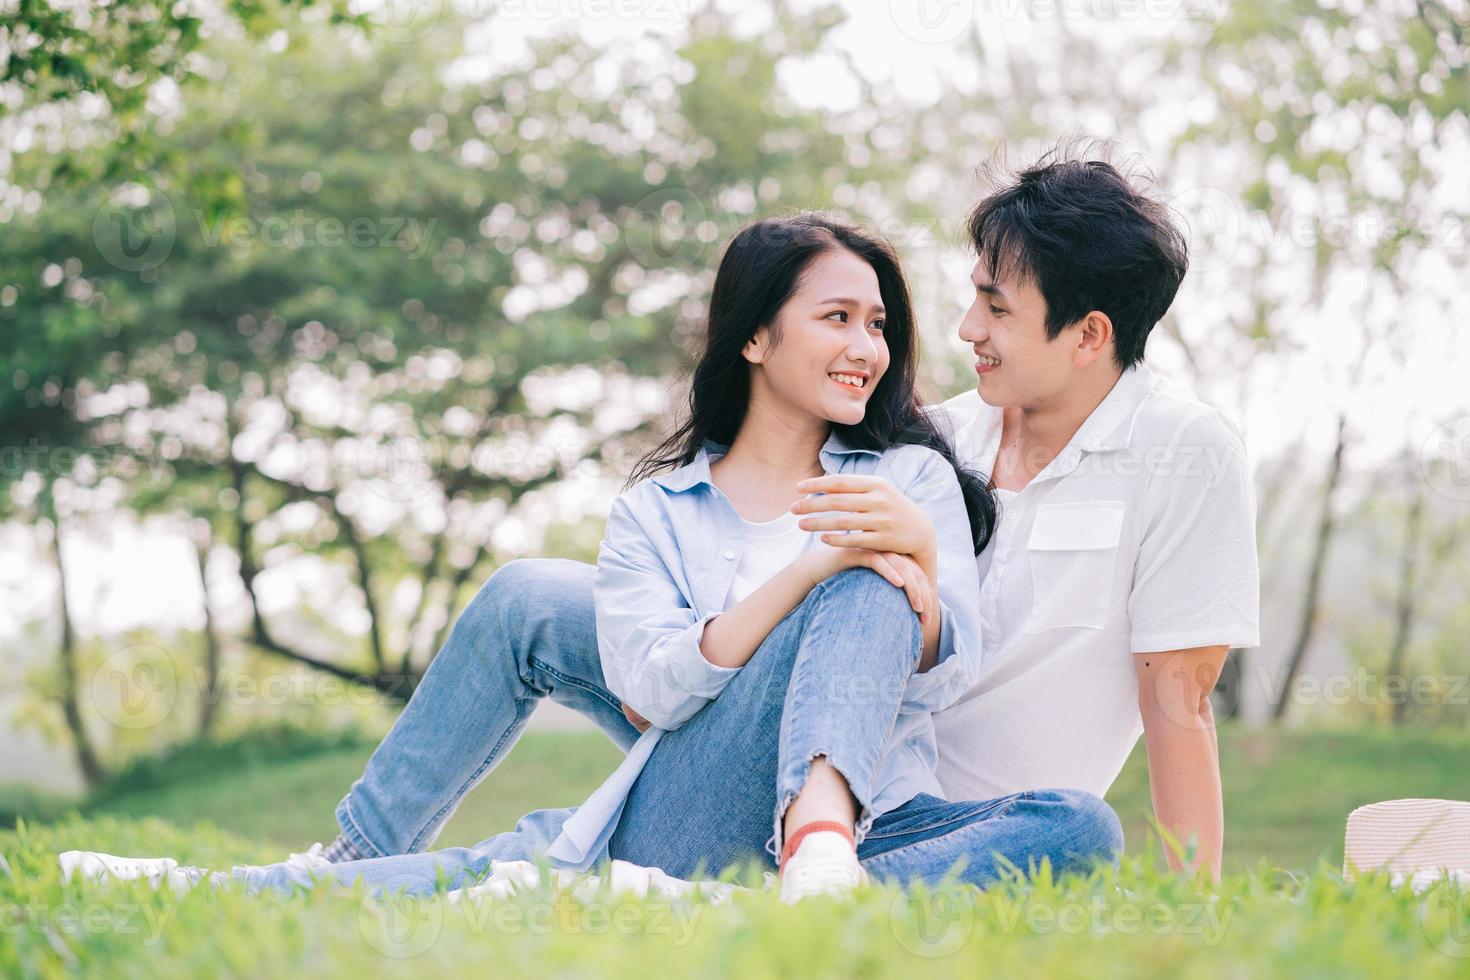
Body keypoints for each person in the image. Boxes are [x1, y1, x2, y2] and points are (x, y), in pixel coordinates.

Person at [72, 211, 1122, 901]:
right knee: (842, 562)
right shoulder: (659, 511)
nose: (868, 347)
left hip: (877, 820)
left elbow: (952, 660)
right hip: (696, 794)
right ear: (755, 337)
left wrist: (925, 565)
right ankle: (783, 860)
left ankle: (777, 875)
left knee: (1079, 823)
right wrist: (807, 570)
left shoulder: (910, 473)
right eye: (837, 317)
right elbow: (658, 687)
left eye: (879, 323)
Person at [302, 145, 1257, 885]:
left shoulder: (1181, 455)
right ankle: (359, 852)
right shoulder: (941, 439)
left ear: (1090, 334)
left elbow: (1178, 700)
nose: (966, 329)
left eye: (996, 308)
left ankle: (772, 871)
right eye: (970, 298)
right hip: (787, 719)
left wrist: (1191, 911)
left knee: (1060, 812)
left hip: (937, 808)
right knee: (528, 600)